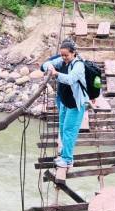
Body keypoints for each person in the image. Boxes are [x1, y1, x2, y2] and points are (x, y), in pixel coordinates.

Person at [41, 39, 88, 168]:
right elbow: (46, 64)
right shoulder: (62, 61)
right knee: (62, 128)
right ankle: (64, 154)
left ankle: (67, 160)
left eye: (66, 55)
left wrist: (56, 73)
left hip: (75, 104)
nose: (64, 57)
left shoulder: (78, 65)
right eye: (62, 55)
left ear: (73, 53)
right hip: (63, 102)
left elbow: (70, 79)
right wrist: (50, 67)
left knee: (69, 131)